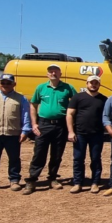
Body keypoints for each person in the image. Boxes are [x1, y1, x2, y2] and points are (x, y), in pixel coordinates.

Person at [23, 64, 77, 195]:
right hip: (44, 124)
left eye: (56, 71)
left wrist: (72, 124)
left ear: (60, 74)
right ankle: (32, 180)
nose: (53, 73)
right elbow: (33, 105)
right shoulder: (41, 88)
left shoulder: (68, 88)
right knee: (39, 153)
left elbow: (76, 103)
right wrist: (34, 124)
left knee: (57, 154)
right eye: (51, 71)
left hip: (61, 125)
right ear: (47, 74)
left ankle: (53, 178)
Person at [66, 75, 108, 194]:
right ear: (87, 84)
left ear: (99, 85)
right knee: (78, 159)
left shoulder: (104, 99)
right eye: (91, 83)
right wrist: (70, 131)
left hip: (97, 134)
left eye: (96, 83)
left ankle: (95, 183)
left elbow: (108, 116)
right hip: (80, 134)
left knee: (95, 159)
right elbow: (69, 114)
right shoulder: (77, 97)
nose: (93, 85)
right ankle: (78, 183)